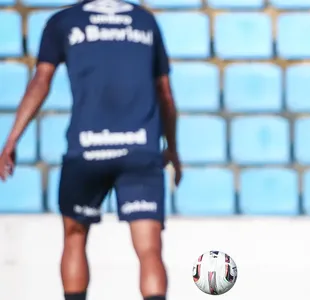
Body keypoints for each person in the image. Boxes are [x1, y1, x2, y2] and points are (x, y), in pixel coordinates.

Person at [0, 0, 182, 299]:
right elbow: (165, 94)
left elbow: (41, 81)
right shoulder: (144, 21)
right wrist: (172, 148)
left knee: (74, 238)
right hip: (140, 149)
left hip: (86, 148)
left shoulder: (63, 21)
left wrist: (11, 141)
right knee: (149, 248)